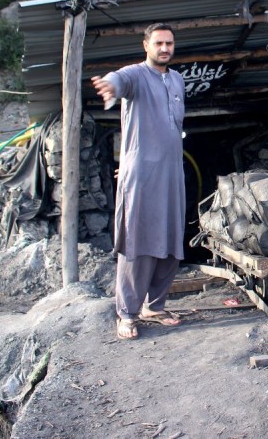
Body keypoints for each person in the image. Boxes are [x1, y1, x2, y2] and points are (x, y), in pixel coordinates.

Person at [92, 23, 186, 339]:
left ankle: (154, 306)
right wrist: (109, 86)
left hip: (172, 175)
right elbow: (118, 81)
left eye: (169, 43)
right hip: (143, 178)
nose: (164, 48)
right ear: (146, 45)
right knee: (138, 243)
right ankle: (127, 313)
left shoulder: (177, 80)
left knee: (173, 242)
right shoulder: (135, 75)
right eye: (158, 43)